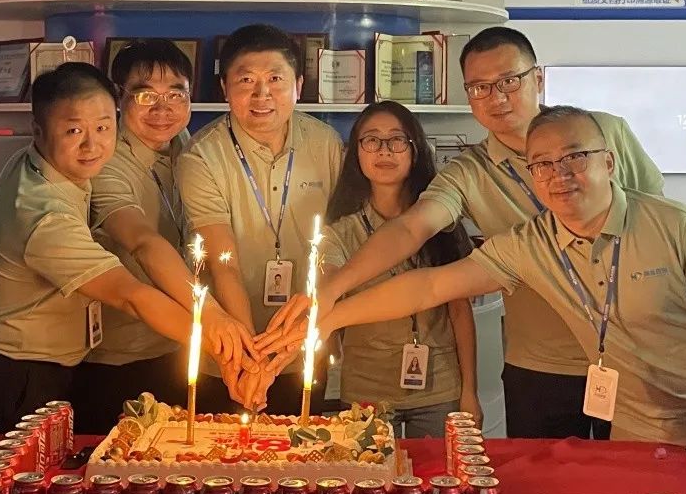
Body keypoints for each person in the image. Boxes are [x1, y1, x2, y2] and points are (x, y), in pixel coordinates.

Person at [264, 106, 686, 494]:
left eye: (574, 157)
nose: (560, 174)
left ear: (609, 162)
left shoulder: (676, 226)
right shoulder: (533, 244)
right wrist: (327, 316)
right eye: (543, 165)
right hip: (637, 429)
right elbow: (431, 285)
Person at [278, 27, 663, 439]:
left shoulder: (603, 133)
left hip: (633, 354)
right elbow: (412, 231)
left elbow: (656, 226)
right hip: (541, 364)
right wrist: (331, 294)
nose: (497, 97)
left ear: (538, 78)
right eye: (480, 87)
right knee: (537, 475)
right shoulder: (471, 174)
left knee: (638, 475)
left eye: (509, 81)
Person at [0, 63, 252, 432]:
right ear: (38, 130)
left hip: (42, 367)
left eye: (104, 127)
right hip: (9, 378)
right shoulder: (44, 215)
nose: (92, 145)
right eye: (74, 130)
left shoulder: (39, 162)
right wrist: (223, 345)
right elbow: (131, 295)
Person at [73, 40, 258, 433]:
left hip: (179, 350)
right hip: (119, 357)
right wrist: (214, 317)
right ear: (119, 97)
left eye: (176, 94)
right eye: (145, 95)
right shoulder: (104, 162)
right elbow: (142, 242)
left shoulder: (189, 149)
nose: (162, 109)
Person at [177, 24, 343, 413]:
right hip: (231, 352)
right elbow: (224, 265)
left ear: (298, 85)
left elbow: (338, 240)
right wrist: (252, 361)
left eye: (275, 79)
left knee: (303, 445)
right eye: (246, 80)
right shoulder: (201, 156)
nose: (261, 94)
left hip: (303, 345)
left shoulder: (327, 144)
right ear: (224, 88)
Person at [319, 101, 480, 437]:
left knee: (440, 469)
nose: (384, 151)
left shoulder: (441, 222)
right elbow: (327, 283)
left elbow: (460, 310)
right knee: (369, 471)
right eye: (371, 140)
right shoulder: (340, 232)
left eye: (396, 140)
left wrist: (470, 391)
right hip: (367, 388)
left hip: (439, 384)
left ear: (415, 150)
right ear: (356, 152)